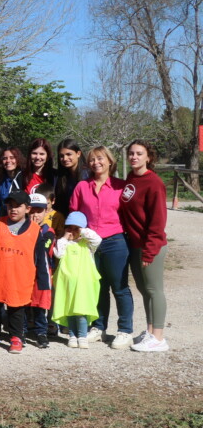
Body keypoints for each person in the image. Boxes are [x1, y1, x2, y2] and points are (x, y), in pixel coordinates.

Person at [69, 146, 134, 347]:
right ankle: (99, 327)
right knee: (97, 287)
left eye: (100, 158)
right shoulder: (82, 186)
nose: (96, 162)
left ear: (109, 161)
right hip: (89, 243)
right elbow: (74, 213)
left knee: (119, 287)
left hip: (115, 241)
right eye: (92, 160)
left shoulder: (120, 186)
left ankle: (125, 330)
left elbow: (130, 214)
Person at [0, 190, 52, 354]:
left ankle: (16, 337)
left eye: (18, 206)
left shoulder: (35, 230)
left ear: (27, 208)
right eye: (10, 206)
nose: (13, 209)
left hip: (21, 279)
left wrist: (43, 281)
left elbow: (41, 258)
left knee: (17, 309)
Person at [120, 140, 169, 353]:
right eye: (131, 153)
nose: (134, 157)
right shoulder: (130, 178)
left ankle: (159, 338)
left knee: (154, 290)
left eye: (139, 153)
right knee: (144, 290)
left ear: (148, 157)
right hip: (135, 244)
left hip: (151, 246)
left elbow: (157, 221)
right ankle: (150, 332)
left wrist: (150, 250)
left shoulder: (154, 182)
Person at [51, 212, 102, 349]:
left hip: (83, 284)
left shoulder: (88, 244)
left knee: (81, 310)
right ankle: (72, 335)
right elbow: (58, 253)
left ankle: (82, 335)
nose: (72, 231)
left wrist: (82, 231)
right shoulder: (64, 243)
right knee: (69, 310)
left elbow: (98, 239)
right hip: (67, 284)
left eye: (76, 228)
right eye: (70, 228)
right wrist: (64, 238)